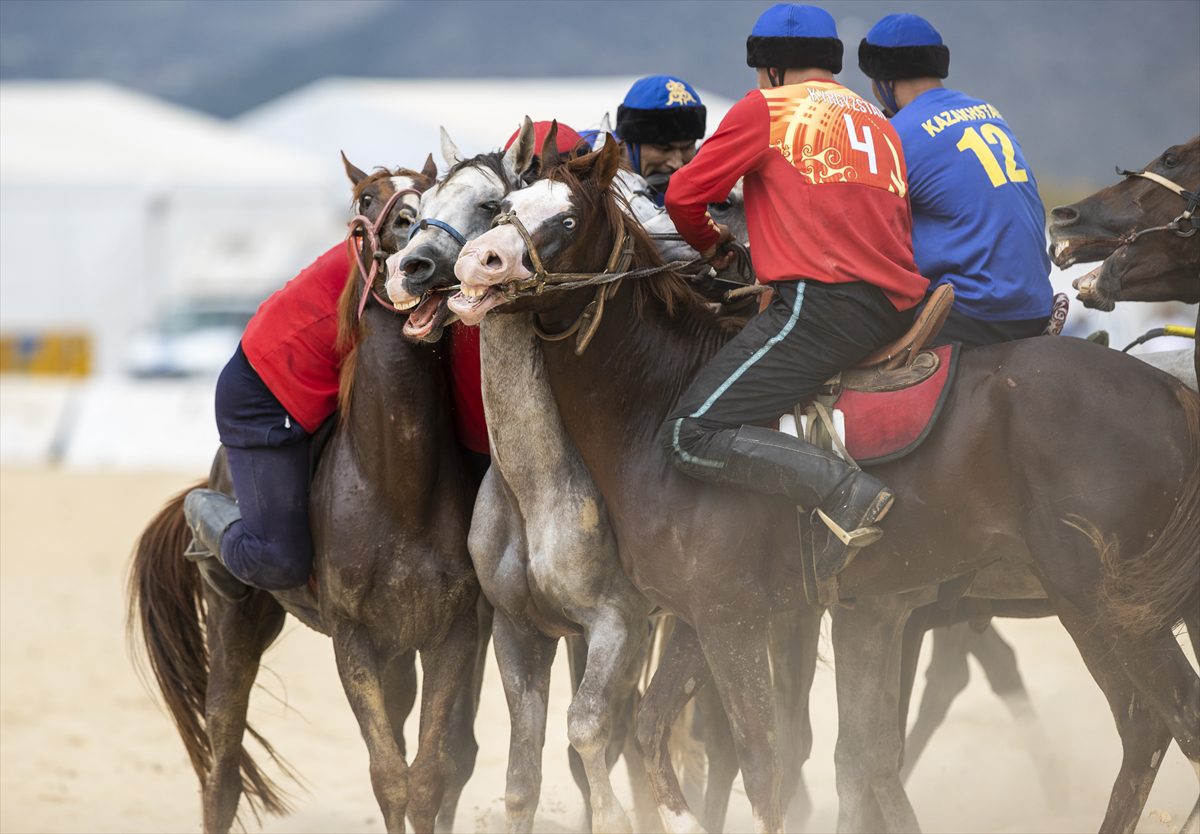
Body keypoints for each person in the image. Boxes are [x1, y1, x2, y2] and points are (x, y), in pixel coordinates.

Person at [660, 3, 929, 580]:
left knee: (689, 432)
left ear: (772, 69)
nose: (756, 81)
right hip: (896, 307)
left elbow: (684, 195)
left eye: (759, 70)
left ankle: (843, 491)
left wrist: (713, 248)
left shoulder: (767, 108)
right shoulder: (875, 118)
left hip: (823, 305)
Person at [858, 13, 1053, 347]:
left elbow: (863, 235)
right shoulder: (989, 111)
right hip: (1037, 302)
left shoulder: (895, 134)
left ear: (883, 81)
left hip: (974, 313)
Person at [612, 74, 708, 205]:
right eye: (664, 149)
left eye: (687, 147)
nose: (677, 164)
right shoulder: (580, 170)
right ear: (628, 144)